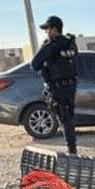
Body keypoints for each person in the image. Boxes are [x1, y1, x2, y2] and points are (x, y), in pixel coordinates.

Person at [29, 15, 79, 154]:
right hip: (70, 86)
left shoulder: (50, 47)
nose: (46, 32)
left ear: (55, 29)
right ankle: (72, 148)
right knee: (69, 118)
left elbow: (34, 64)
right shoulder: (70, 43)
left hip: (57, 88)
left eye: (48, 29)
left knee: (64, 118)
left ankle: (71, 150)